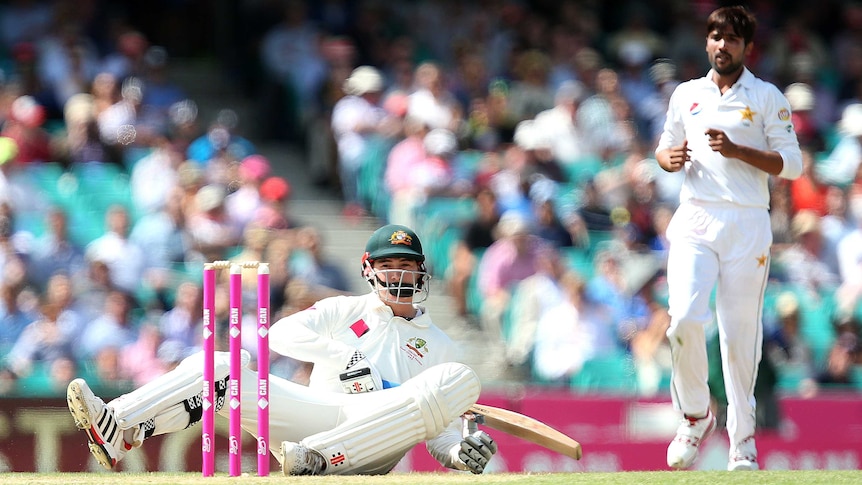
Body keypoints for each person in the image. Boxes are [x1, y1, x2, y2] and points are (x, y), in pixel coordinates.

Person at [65, 224, 497, 475]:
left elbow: (435, 428)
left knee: (461, 379)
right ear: (369, 270)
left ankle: (321, 460)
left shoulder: (440, 345)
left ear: (421, 271)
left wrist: (459, 452)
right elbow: (282, 334)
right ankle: (119, 427)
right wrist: (344, 356)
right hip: (313, 414)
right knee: (224, 365)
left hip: (369, 445)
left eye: (406, 266)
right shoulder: (343, 309)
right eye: (388, 266)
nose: (398, 275)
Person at [655, 6, 803, 472]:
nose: (723, 45)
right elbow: (664, 146)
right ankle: (695, 416)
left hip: (747, 223)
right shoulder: (686, 94)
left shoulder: (765, 96)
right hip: (695, 215)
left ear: (747, 47)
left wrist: (738, 151)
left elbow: (793, 164)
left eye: (732, 39)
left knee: (740, 340)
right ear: (706, 42)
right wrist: (667, 159)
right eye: (716, 37)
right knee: (682, 321)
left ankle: (743, 444)